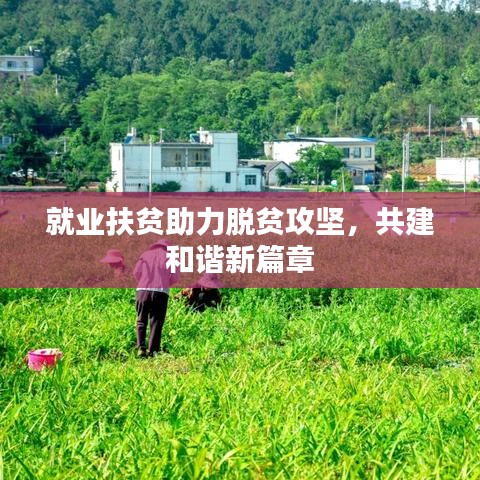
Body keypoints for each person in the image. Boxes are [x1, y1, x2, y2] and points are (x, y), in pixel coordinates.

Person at [133, 239, 179, 358]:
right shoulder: (171, 258)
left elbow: (136, 272)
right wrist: (165, 283)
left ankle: (141, 348)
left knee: (141, 319)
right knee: (157, 321)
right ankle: (153, 350)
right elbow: (175, 278)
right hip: (161, 292)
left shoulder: (145, 255)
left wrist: (143, 282)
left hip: (142, 291)